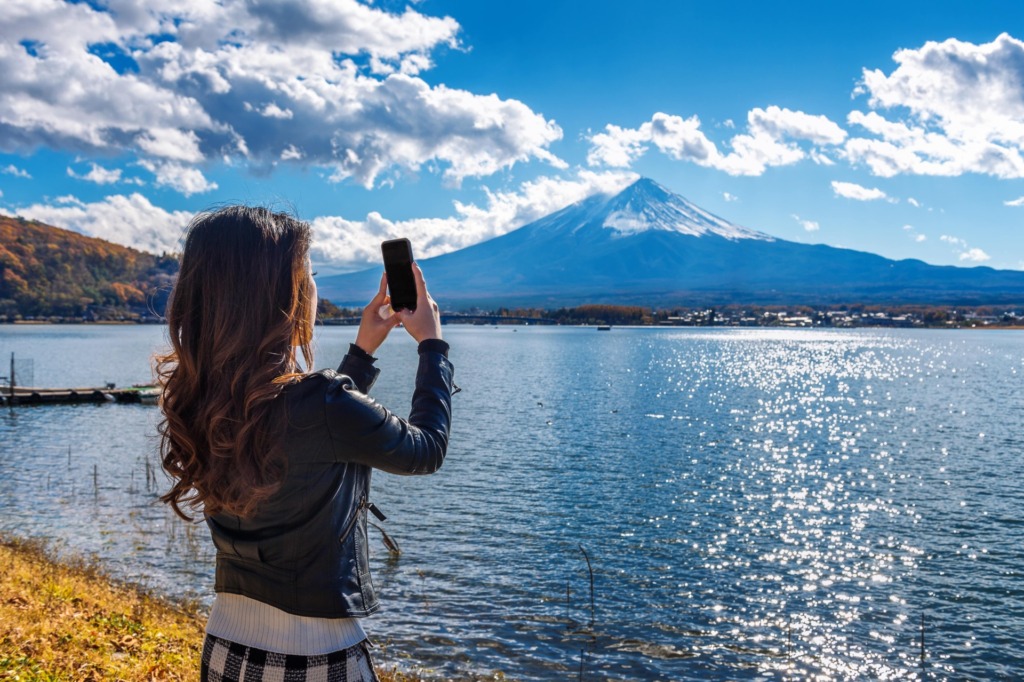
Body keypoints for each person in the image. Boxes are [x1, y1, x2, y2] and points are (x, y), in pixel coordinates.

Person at [156, 205, 455, 682]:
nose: (314, 289)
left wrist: (361, 353)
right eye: (309, 275)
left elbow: (308, 429)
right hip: (315, 658)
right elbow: (426, 449)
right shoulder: (318, 405)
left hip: (226, 648)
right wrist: (433, 346)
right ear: (281, 294)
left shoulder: (209, 397)